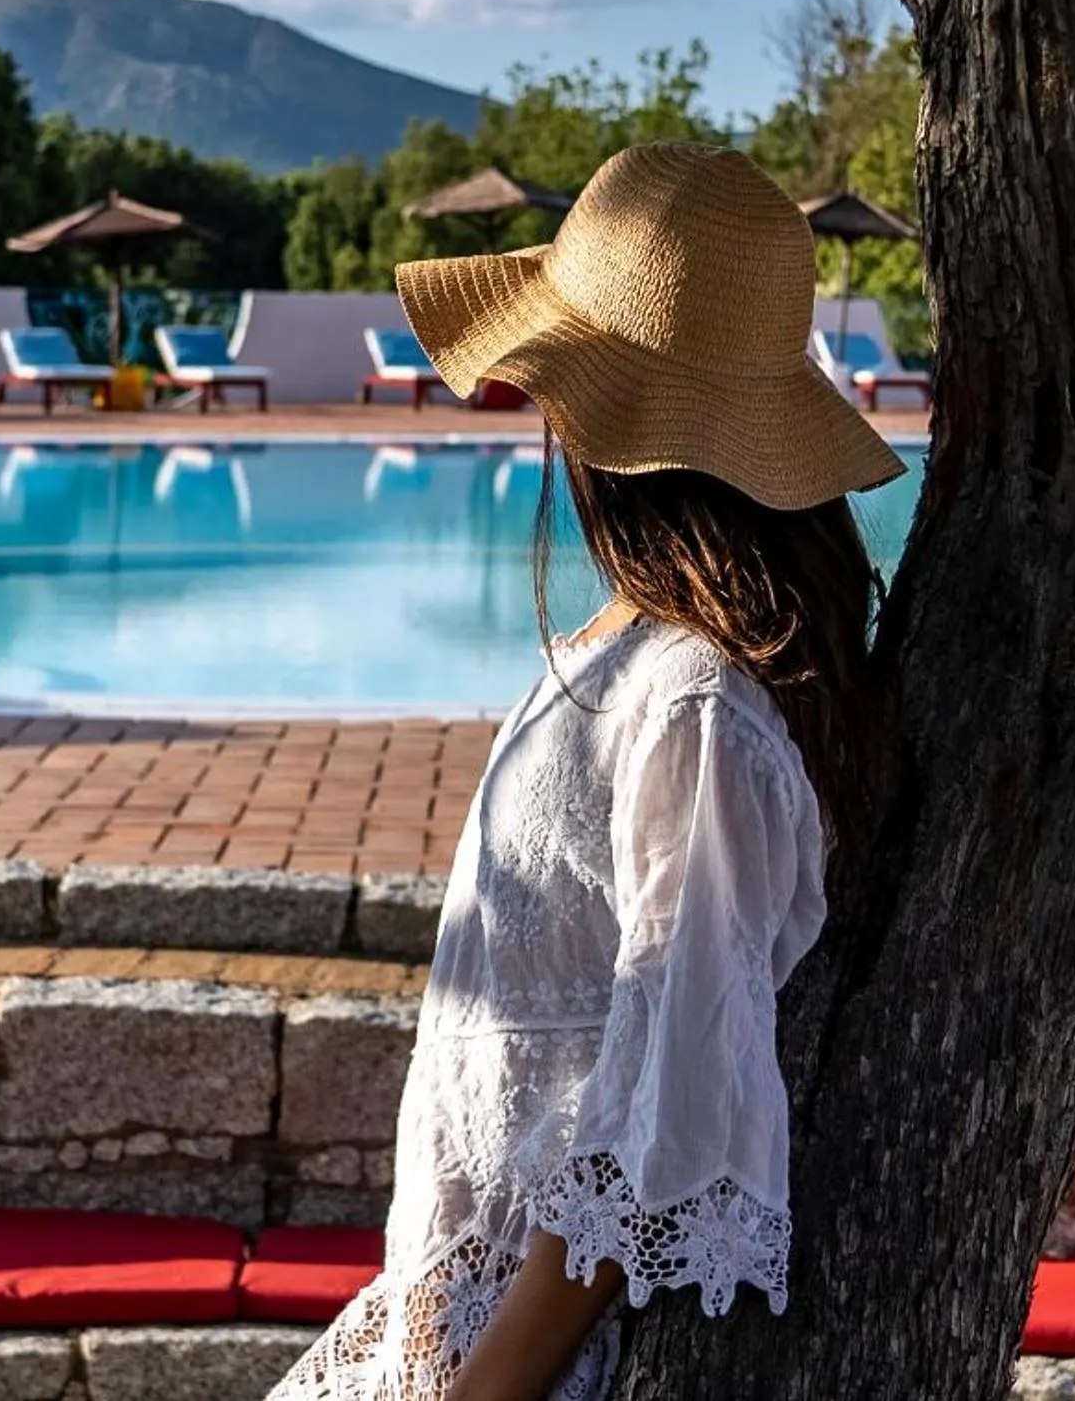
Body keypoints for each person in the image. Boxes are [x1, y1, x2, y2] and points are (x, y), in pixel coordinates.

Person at [268, 140, 907, 1401]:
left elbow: (663, 1101)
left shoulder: (692, 705)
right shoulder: (634, 653)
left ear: (597, 410)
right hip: (448, 1305)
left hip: (519, 1355)